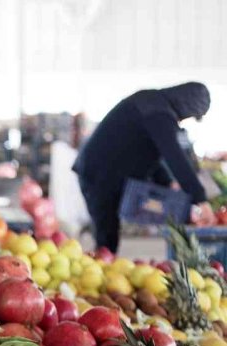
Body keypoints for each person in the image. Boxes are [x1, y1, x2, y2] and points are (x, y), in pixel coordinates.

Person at [73, 82, 215, 252]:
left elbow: (149, 153)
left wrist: (167, 182)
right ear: (187, 106)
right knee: (107, 240)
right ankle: (99, 273)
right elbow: (175, 158)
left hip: (102, 172)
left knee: (108, 237)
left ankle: (104, 267)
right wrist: (201, 199)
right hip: (100, 174)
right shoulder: (158, 113)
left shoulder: (153, 104)